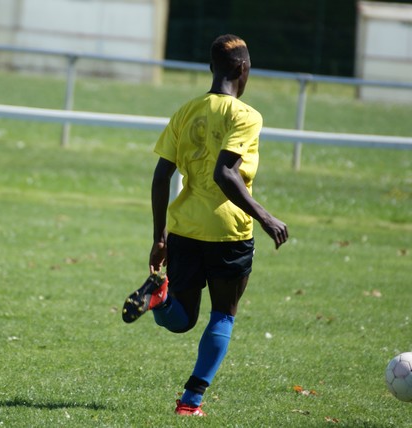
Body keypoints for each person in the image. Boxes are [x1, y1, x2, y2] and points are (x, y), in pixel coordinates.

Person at [122, 34, 288, 416]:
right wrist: (266, 217)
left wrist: (160, 236)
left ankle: (159, 298)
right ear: (243, 68)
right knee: (223, 315)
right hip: (228, 232)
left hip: (184, 228)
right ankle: (190, 402)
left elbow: (161, 176)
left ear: (212, 68)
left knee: (181, 318)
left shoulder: (186, 111)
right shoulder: (246, 116)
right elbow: (225, 174)